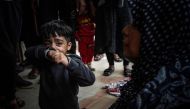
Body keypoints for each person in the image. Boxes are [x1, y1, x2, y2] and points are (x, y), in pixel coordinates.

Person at [109, 0, 190, 109]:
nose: (125, 30)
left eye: (137, 23)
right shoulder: (146, 79)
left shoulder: (163, 98)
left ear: (165, 32)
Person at [25, 20, 95, 109]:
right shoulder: (44, 59)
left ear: (68, 46)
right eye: (48, 43)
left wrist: (68, 62)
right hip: (46, 105)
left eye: (59, 43)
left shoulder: (73, 60)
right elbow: (28, 52)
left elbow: (89, 80)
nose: (53, 46)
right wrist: (47, 53)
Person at [93, 0, 133, 76]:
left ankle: (126, 66)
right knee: (107, 36)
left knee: (125, 36)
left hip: (123, 7)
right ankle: (111, 66)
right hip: (105, 7)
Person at [0, 0, 25, 108]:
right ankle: (8, 95)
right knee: (6, 50)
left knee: (12, 48)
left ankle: (9, 93)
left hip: (12, 3)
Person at [75, 0, 96, 71]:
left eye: (84, 6)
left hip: (90, 37)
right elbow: (75, 29)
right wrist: (77, 37)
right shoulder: (77, 16)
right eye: (82, 6)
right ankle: (83, 66)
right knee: (83, 52)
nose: (83, 8)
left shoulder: (91, 15)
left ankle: (89, 64)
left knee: (90, 52)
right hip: (82, 38)